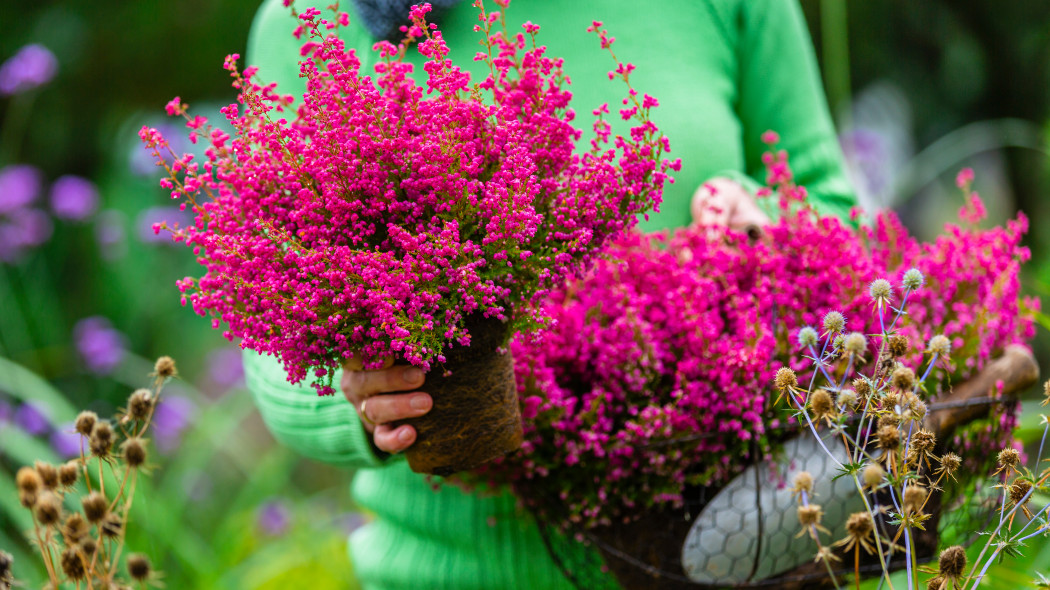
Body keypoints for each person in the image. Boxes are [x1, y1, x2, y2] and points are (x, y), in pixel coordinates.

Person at [243, 0, 855, 588]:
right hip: (449, 574)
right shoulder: (305, 19)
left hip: (728, 550)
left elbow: (838, 215)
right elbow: (266, 315)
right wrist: (364, 397)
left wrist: (766, 222)